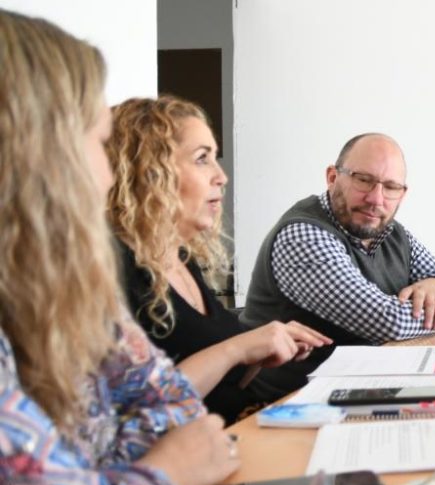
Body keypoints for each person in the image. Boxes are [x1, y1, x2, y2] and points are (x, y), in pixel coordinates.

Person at [0, 10, 238, 485]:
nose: (106, 173)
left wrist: (103, 480)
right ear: (31, 150)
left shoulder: (61, 281)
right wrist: (165, 470)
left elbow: (174, 402)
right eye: (94, 141)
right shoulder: (105, 264)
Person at [107, 96, 332, 423]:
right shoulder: (113, 268)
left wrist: (259, 355)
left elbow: (219, 382)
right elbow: (142, 408)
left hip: (240, 435)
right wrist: (237, 349)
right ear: (150, 173)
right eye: (202, 159)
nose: (221, 176)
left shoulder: (182, 256)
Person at [241, 133, 435, 348]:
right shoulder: (302, 235)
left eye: (391, 187)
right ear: (332, 177)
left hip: (364, 389)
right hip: (289, 396)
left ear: (402, 194)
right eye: (363, 180)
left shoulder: (392, 233)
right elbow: (386, 320)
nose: (376, 199)